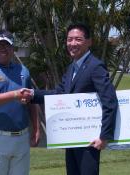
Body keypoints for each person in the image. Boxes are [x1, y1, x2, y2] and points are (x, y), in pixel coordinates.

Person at [30, 23, 118, 175]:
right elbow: (59, 94)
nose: (72, 43)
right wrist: (32, 94)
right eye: (69, 39)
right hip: (72, 138)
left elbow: (109, 100)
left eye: (78, 39)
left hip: (90, 139)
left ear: (89, 42)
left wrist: (104, 136)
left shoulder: (95, 66)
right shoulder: (72, 68)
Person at [0, 30, 40, 175]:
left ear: (12, 49)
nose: (3, 49)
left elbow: (32, 102)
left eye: (7, 46)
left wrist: (36, 128)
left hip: (22, 137)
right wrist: (15, 94)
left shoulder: (23, 70)